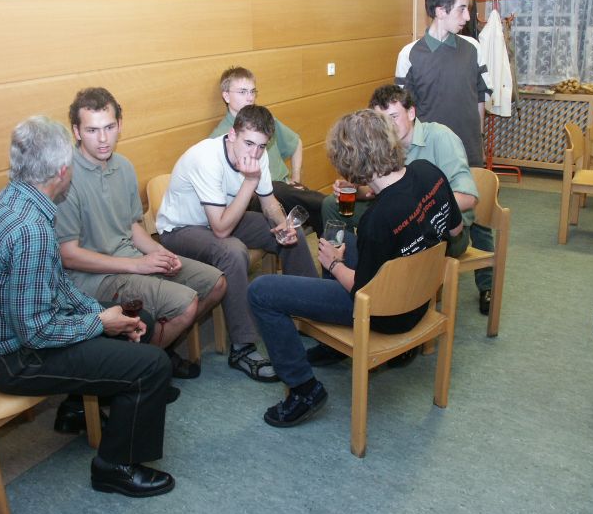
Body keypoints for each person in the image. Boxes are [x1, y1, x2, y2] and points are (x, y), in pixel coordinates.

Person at [0, 116, 175, 498]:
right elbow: (37, 332)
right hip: (12, 360)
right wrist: (100, 323)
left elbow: (55, 285)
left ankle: (77, 408)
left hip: (14, 337)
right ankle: (114, 467)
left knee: (138, 317)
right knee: (152, 366)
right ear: (61, 172)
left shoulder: (11, 202)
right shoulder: (31, 230)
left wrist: (99, 312)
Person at [247, 109, 463, 427]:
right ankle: (334, 348)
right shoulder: (429, 172)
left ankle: (304, 390)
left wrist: (334, 263)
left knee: (261, 292)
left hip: (389, 314)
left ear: (352, 162)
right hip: (421, 295)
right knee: (340, 235)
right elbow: (455, 230)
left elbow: (364, 293)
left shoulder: (379, 218)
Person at [55, 87, 226, 397]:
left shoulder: (123, 166)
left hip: (131, 258)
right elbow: (68, 255)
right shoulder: (66, 178)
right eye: (92, 130)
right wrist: (139, 265)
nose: (103, 138)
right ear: (76, 132)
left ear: (120, 125)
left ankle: (153, 352)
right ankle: (140, 374)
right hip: (94, 279)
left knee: (215, 283)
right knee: (186, 305)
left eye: (109, 127)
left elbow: (132, 226)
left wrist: (162, 253)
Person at [156, 104, 319, 382]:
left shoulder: (258, 155)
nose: (254, 153)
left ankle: (311, 312)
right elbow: (221, 230)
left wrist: (283, 225)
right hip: (181, 229)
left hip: (223, 219)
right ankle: (242, 347)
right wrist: (250, 181)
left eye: (261, 146)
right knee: (233, 251)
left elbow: (269, 204)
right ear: (232, 135)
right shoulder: (206, 158)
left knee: (293, 233)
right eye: (248, 143)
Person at [395, 0, 495, 316]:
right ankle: (423, 288)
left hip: (469, 150)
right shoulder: (409, 54)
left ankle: (487, 286)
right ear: (440, 11)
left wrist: (475, 141)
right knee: (426, 219)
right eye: (462, 9)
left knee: (480, 220)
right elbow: (402, 111)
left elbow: (480, 99)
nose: (467, 17)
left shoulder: (472, 48)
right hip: (427, 156)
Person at [321, 84, 477, 257]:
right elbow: (377, 193)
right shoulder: (382, 144)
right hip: (398, 217)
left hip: (446, 229)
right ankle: (352, 261)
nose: (388, 126)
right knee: (331, 204)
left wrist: (416, 209)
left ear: (411, 113)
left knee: (385, 225)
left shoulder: (440, 137)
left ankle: (366, 267)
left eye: (393, 117)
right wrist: (355, 190)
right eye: (381, 121)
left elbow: (469, 198)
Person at [210, 66, 326, 237]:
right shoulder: (221, 137)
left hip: (285, 189)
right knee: (316, 203)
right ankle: (330, 204)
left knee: (320, 214)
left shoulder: (264, 121)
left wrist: (296, 178)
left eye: (252, 92)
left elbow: (296, 143)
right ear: (226, 96)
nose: (250, 98)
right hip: (255, 197)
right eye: (242, 92)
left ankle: (331, 247)